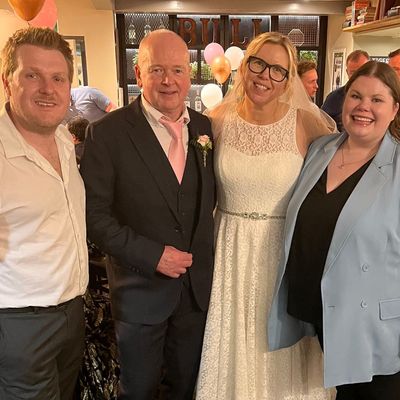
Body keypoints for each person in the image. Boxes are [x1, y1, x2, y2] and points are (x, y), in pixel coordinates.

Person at [196, 32, 336, 400]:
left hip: (281, 252)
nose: (265, 76)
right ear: (244, 66)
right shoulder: (215, 120)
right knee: (233, 340)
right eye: (258, 64)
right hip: (228, 249)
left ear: (288, 79)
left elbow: (339, 174)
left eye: (278, 70)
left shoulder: (306, 123)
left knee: (277, 342)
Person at [80, 29, 215, 400]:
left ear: (190, 75)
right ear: (138, 74)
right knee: (138, 390)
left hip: (195, 294)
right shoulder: (106, 133)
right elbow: (94, 216)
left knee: (186, 389)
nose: (168, 80)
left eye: (177, 70)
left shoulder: (205, 129)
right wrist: (153, 255)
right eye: (157, 70)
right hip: (139, 293)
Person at [268, 60, 400, 399]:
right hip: (324, 315)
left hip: (374, 327)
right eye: (356, 96)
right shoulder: (321, 149)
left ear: (394, 109)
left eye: (377, 100)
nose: (363, 107)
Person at [0, 27, 88, 399]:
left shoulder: (64, 140)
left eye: (58, 78)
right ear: (7, 81)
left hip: (71, 312)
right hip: (20, 321)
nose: (48, 89)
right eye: (32, 76)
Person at [322, 49, 369, 131]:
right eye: (353, 72)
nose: (357, 76)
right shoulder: (334, 98)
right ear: (347, 72)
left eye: (362, 72)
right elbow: (322, 126)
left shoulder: (382, 96)